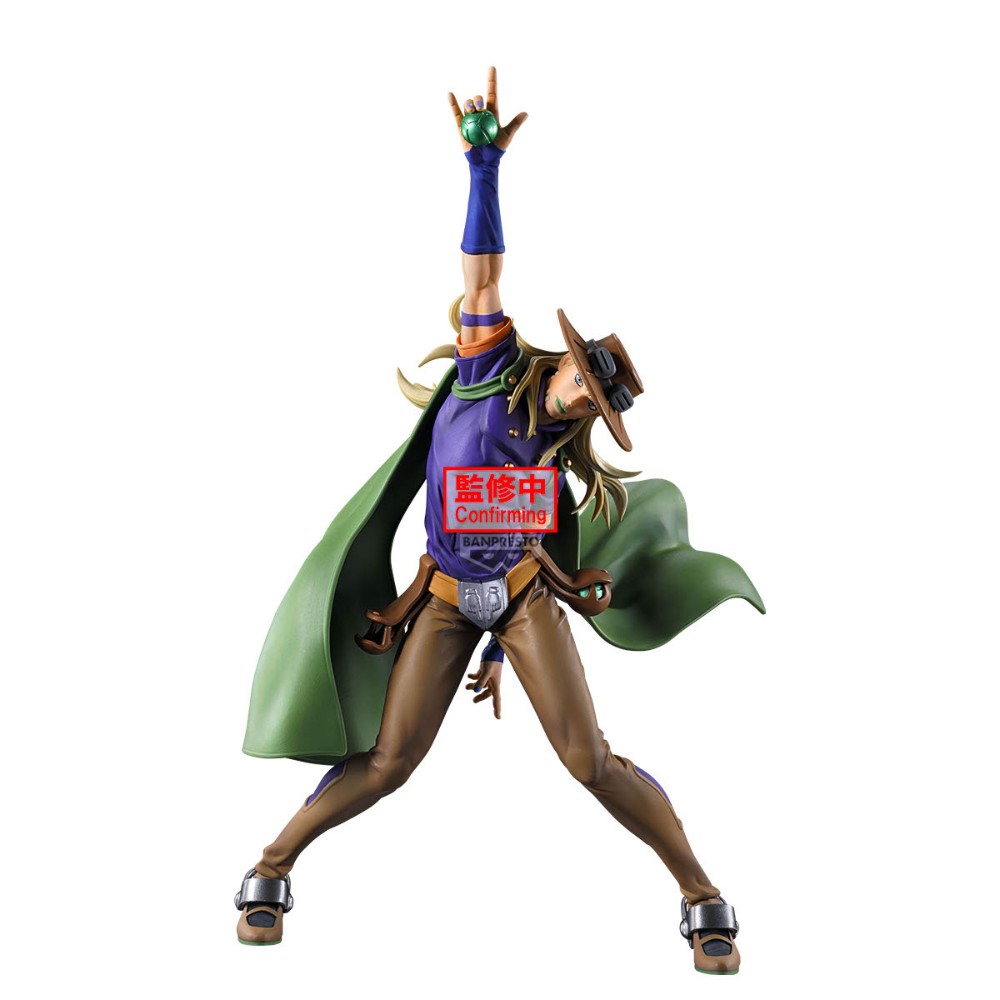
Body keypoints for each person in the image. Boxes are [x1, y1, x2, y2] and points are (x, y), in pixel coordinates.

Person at [234, 69, 762, 976]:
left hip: (521, 603)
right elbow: (481, 271)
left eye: (595, 401)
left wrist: (511, 643)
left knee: (590, 762)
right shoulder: (488, 364)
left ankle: (701, 894)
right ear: (566, 360)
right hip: (440, 598)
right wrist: (483, 168)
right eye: (583, 380)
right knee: (390, 761)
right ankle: (269, 869)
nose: (580, 397)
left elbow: (526, 539)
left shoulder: (555, 457)